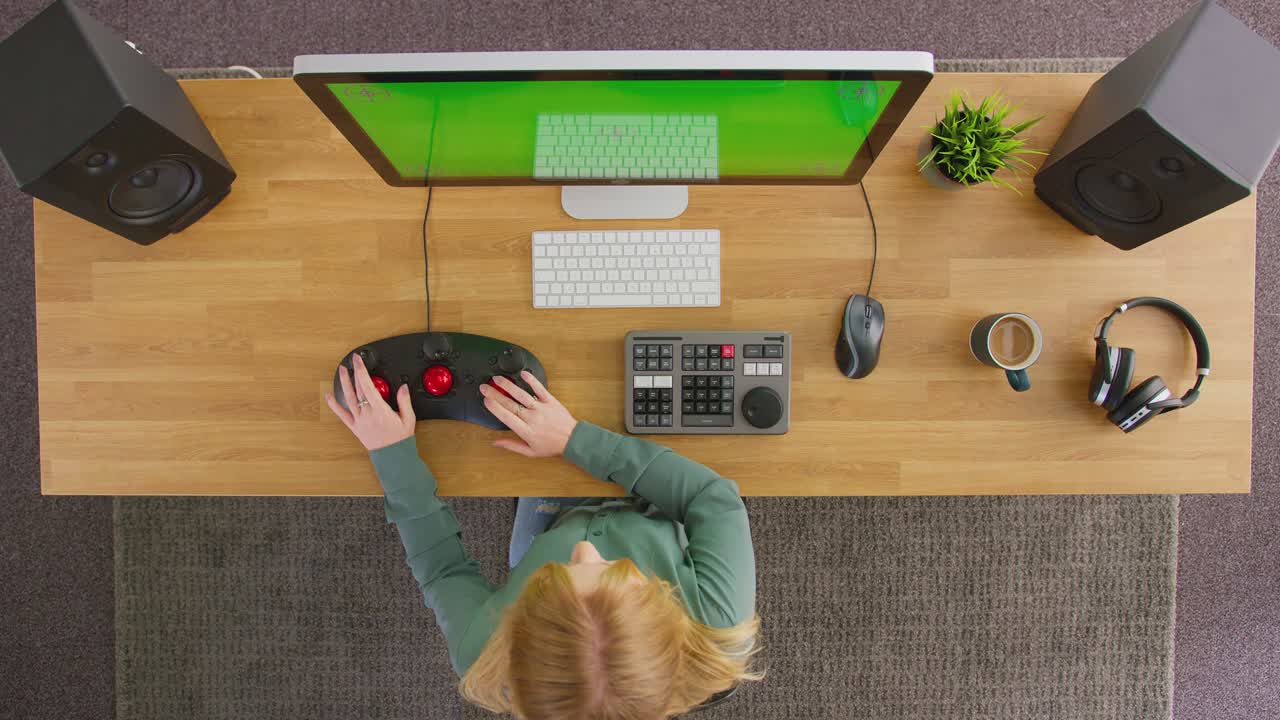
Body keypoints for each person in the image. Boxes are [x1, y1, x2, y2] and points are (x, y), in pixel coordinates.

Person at [325, 353, 762, 719]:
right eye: (619, 569)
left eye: (559, 575)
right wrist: (575, 439)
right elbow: (711, 498)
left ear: (520, 624)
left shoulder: (484, 651)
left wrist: (392, 456)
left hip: (551, 525)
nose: (586, 549)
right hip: (657, 507)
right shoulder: (719, 621)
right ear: (665, 609)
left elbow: (442, 570)